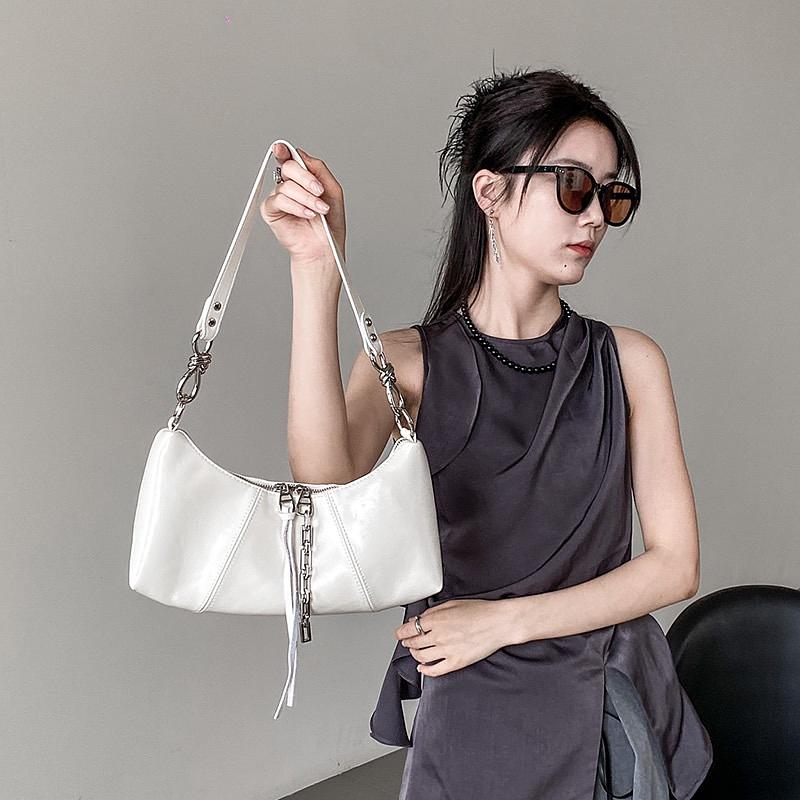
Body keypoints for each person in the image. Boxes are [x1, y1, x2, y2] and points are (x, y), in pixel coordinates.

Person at [260, 67, 713, 800]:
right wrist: (316, 271)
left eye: (611, 194)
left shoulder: (629, 361)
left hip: (604, 702)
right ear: (490, 192)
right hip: (472, 700)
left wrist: (501, 623)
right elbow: (323, 486)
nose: (595, 217)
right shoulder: (409, 362)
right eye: (574, 186)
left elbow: (675, 567)